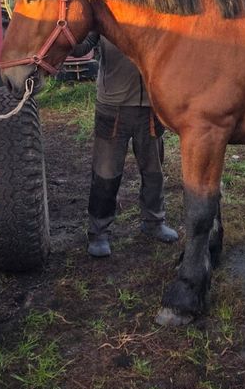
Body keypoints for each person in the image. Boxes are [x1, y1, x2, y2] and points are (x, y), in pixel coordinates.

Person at [70, 32, 178, 257]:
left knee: (153, 171)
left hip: (150, 107)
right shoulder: (104, 16)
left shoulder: (153, 13)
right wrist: (65, 33)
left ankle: (154, 221)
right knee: (106, 174)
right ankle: (98, 232)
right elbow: (80, 48)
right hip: (113, 107)